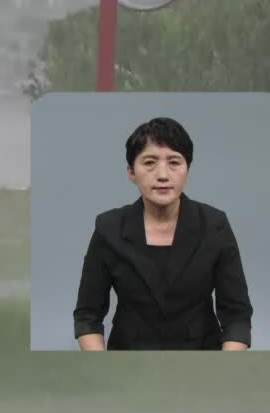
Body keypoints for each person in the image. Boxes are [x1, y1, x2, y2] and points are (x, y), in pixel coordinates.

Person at [72, 117, 253, 352]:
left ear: (188, 169)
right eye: (149, 163)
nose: (163, 175)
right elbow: (87, 316)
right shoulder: (109, 228)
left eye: (174, 162)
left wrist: (221, 375)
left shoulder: (214, 225)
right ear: (131, 172)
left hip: (201, 359)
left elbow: (237, 317)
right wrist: (106, 371)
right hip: (128, 361)